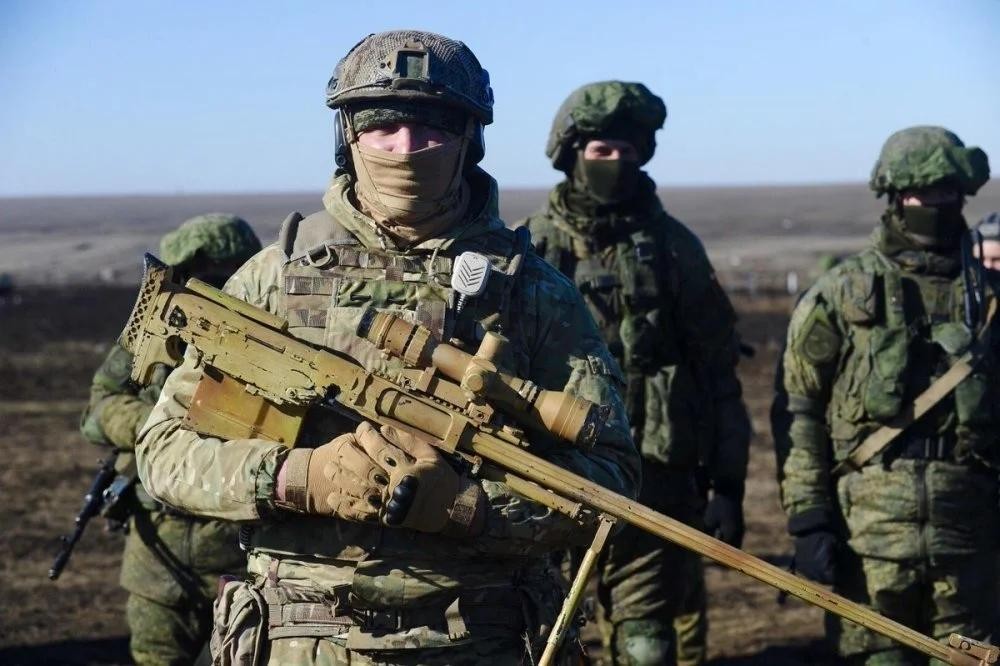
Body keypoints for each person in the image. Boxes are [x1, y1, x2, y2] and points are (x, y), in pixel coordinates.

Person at [135, 31, 640, 665]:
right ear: (347, 135)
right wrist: (300, 478)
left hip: (481, 638)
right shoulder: (272, 280)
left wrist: (469, 508)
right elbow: (164, 453)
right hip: (300, 636)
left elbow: (613, 482)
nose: (405, 147)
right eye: (383, 126)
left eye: (431, 129)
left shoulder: (535, 293)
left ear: (469, 139)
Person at [520, 81, 751, 666]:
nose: (616, 163)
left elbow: (717, 376)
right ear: (572, 155)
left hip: (657, 482)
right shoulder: (527, 248)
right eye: (602, 151)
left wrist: (728, 484)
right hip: (547, 476)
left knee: (648, 642)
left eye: (627, 151)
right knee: (536, 634)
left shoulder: (674, 248)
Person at [776, 126, 997, 664]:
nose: (936, 204)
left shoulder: (989, 302)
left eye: (947, 192)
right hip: (867, 547)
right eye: (922, 193)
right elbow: (800, 411)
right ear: (896, 197)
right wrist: (809, 517)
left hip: (969, 547)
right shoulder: (840, 294)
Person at [80, 213, 262, 665]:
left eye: (224, 279)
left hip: (245, 559)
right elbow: (98, 410)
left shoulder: (273, 344)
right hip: (159, 560)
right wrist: (164, 428)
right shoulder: (152, 334)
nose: (211, 291)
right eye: (198, 278)